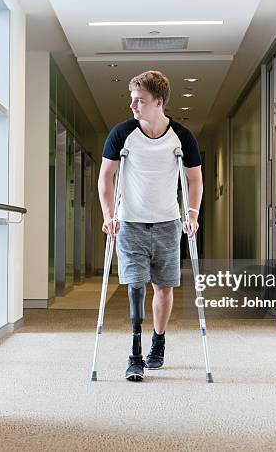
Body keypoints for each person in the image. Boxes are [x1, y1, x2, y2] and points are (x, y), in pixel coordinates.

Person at [97, 70, 203, 381]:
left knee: (163, 287)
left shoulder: (182, 137)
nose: (132, 106)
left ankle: (158, 340)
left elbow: (194, 178)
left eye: (139, 100)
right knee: (135, 285)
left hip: (168, 223)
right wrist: (108, 214)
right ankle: (135, 352)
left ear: (159, 102)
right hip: (130, 222)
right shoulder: (122, 134)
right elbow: (106, 178)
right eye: (132, 100)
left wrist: (192, 213)